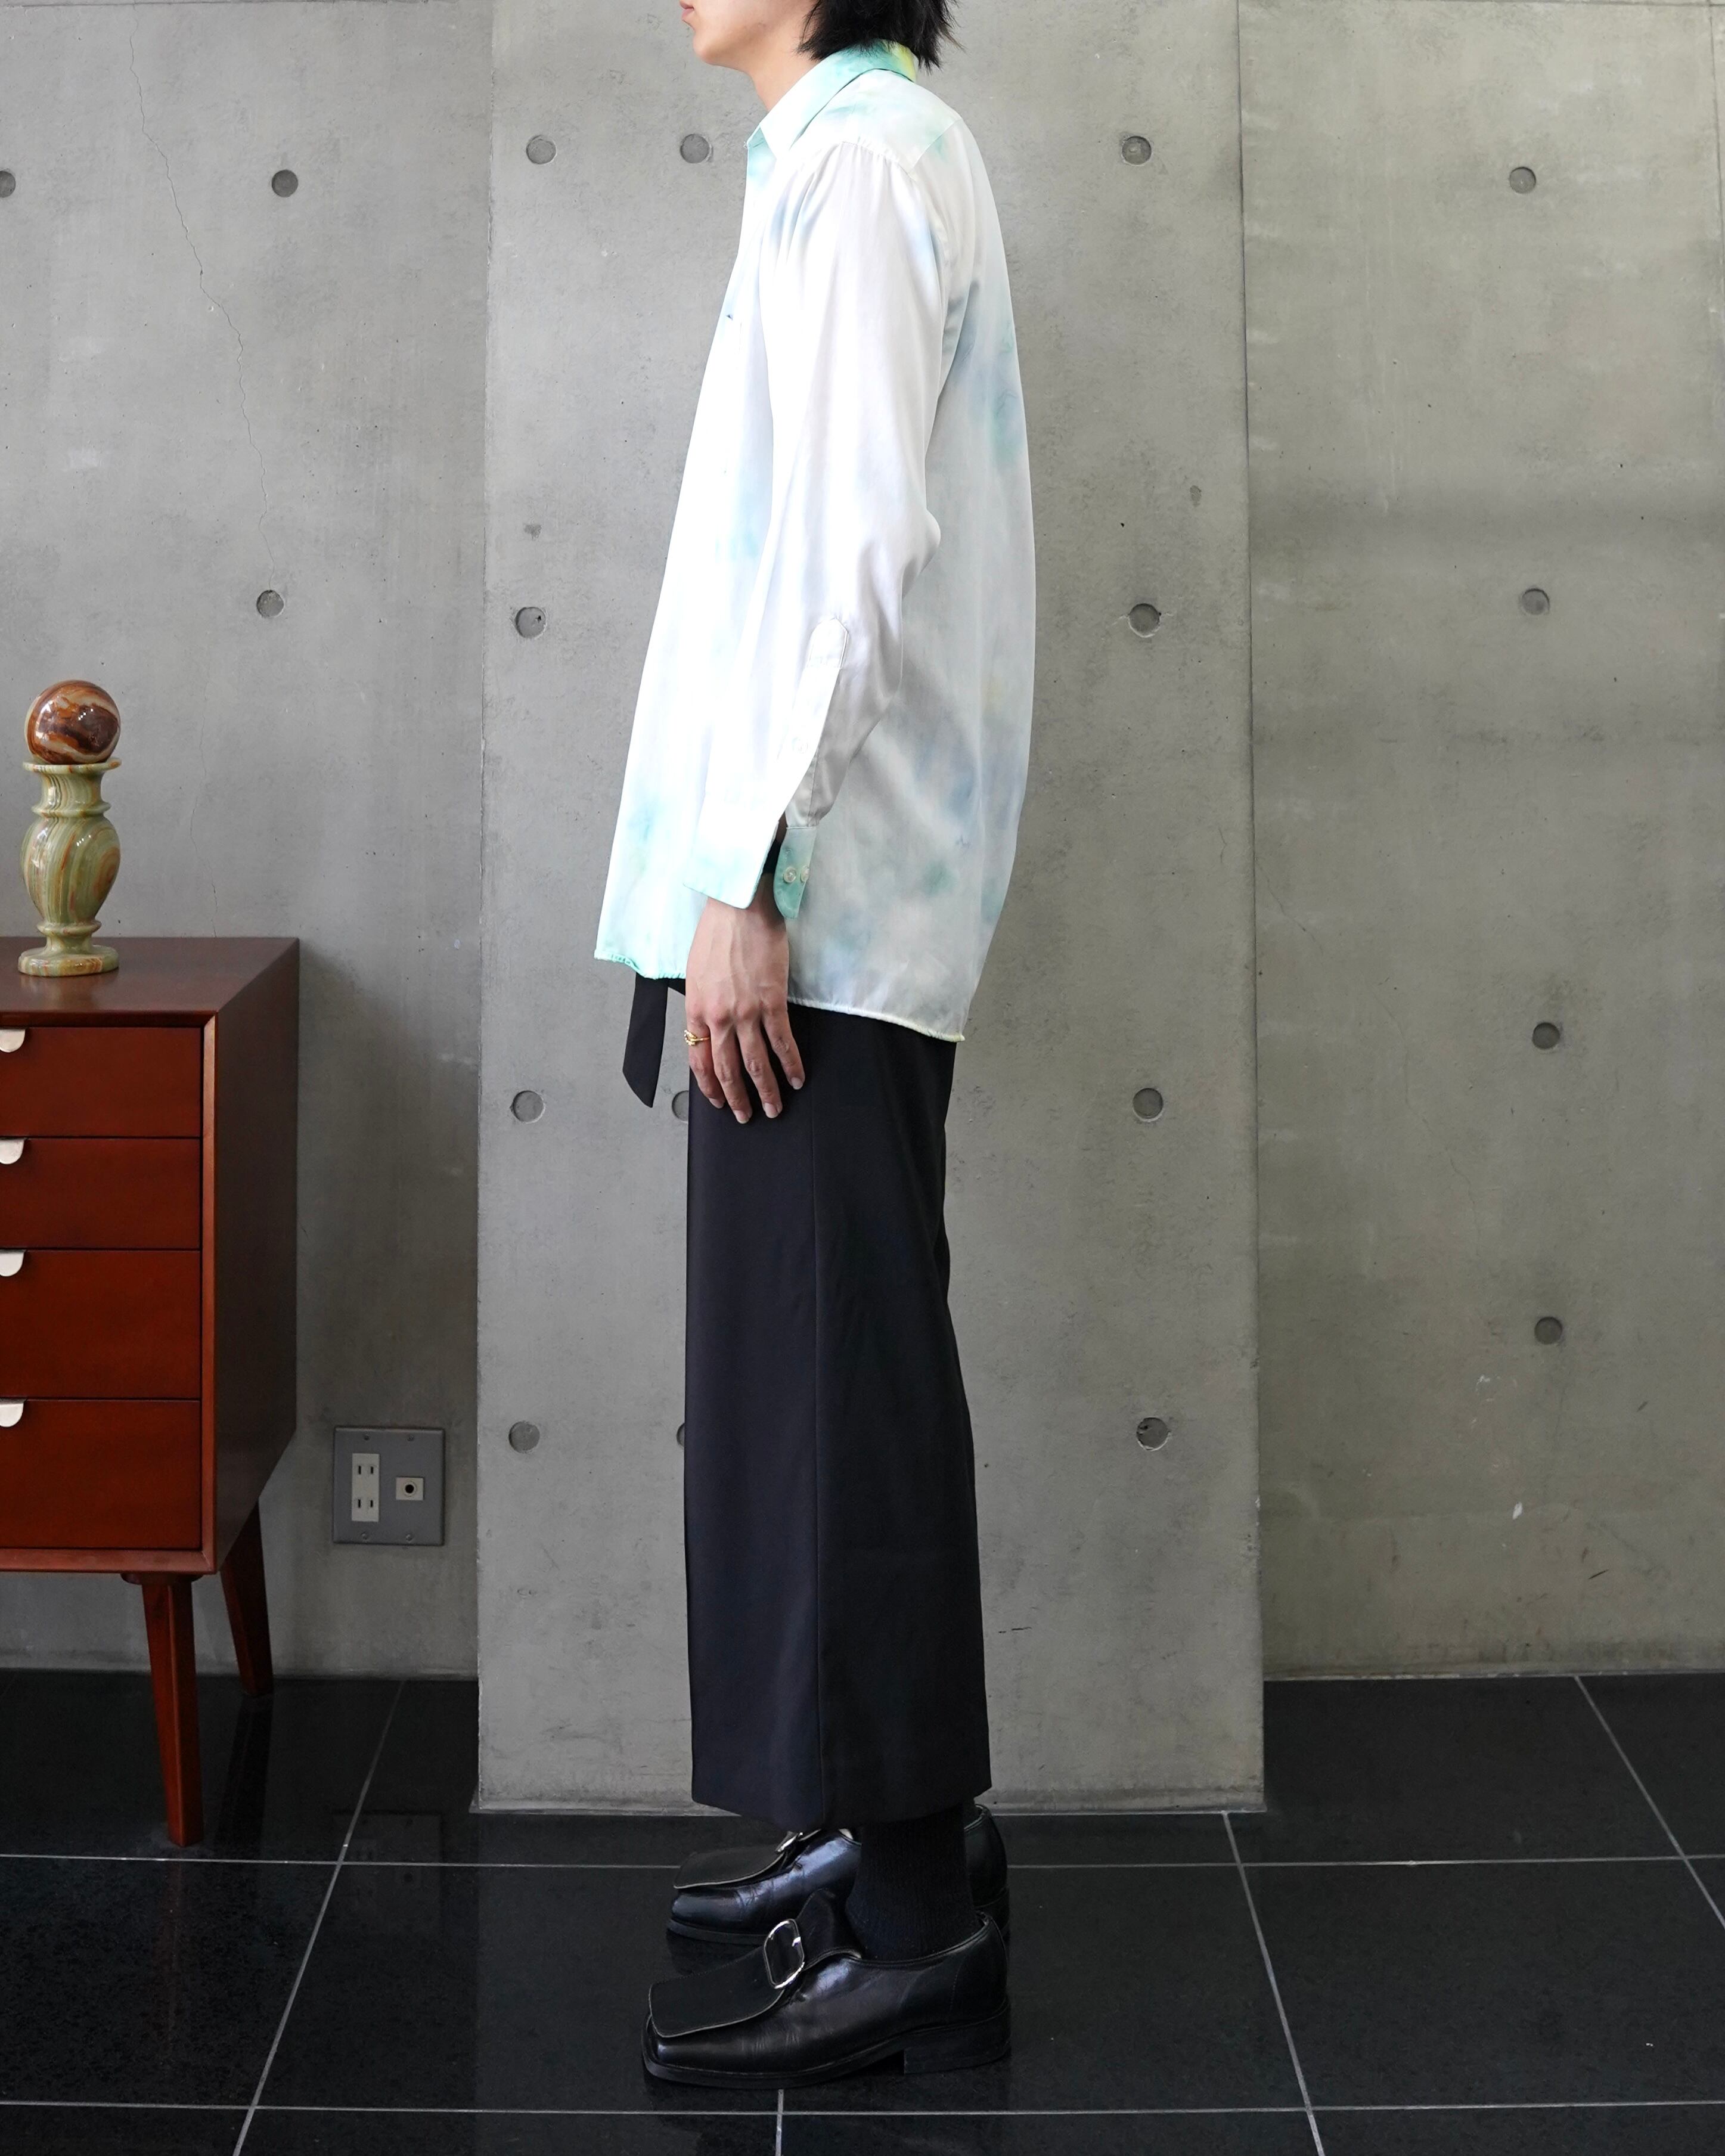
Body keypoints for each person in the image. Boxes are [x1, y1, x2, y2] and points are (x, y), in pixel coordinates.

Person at [594, 0, 1035, 2087]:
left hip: (823, 906)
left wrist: (750, 868)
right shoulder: (843, 152)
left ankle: (921, 1924)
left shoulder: (860, 165)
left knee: (837, 1402)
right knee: (814, 1388)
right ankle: (880, 1831)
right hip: (814, 894)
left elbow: (856, 552)